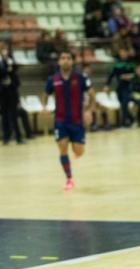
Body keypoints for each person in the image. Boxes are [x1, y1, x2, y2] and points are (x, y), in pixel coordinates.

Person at [41, 50, 96, 191]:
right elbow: (45, 94)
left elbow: (91, 93)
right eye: (63, 58)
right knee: (63, 147)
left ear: (72, 61)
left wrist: (89, 110)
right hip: (60, 121)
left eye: (68, 58)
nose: (65, 60)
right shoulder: (52, 79)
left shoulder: (80, 77)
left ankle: (77, 152)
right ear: (59, 61)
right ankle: (69, 179)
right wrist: (44, 107)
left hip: (77, 121)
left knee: (79, 151)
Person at [0, 42, 24, 145]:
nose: (4, 49)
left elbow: (14, 71)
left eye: (4, 47)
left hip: (12, 90)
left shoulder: (10, 59)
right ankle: (6, 137)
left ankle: (18, 137)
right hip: (2, 92)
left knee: (14, 114)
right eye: (2, 48)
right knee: (5, 115)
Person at [105, 47, 136, 127]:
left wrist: (125, 77)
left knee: (124, 105)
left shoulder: (131, 63)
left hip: (128, 88)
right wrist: (107, 85)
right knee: (122, 105)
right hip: (119, 88)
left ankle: (123, 123)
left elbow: (134, 75)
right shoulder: (117, 64)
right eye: (121, 53)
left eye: (124, 53)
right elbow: (111, 75)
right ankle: (132, 119)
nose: (123, 54)